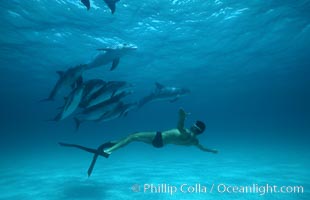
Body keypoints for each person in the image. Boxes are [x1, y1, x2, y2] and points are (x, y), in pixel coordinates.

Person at [59, 108, 218, 176]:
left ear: (196, 128)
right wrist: (212, 151)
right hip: (160, 144)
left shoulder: (189, 133)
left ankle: (110, 151)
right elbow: (202, 148)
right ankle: (114, 144)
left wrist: (182, 116)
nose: (192, 125)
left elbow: (180, 127)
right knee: (134, 136)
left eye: (194, 125)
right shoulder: (194, 140)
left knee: (133, 137)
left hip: (158, 137)